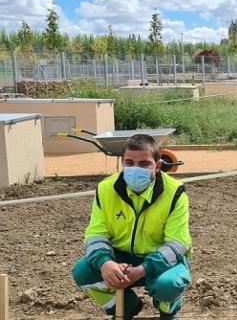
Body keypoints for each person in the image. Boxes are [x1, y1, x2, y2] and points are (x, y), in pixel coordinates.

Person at [71, 134, 191, 320]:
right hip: (121, 258)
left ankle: (169, 311)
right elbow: (95, 234)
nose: (135, 169)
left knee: (168, 284)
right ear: (122, 163)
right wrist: (106, 263)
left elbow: (177, 243)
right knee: (82, 272)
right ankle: (127, 307)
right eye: (129, 162)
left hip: (160, 262)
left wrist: (142, 270)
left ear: (157, 166)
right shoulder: (105, 189)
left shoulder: (175, 192)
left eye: (144, 164)